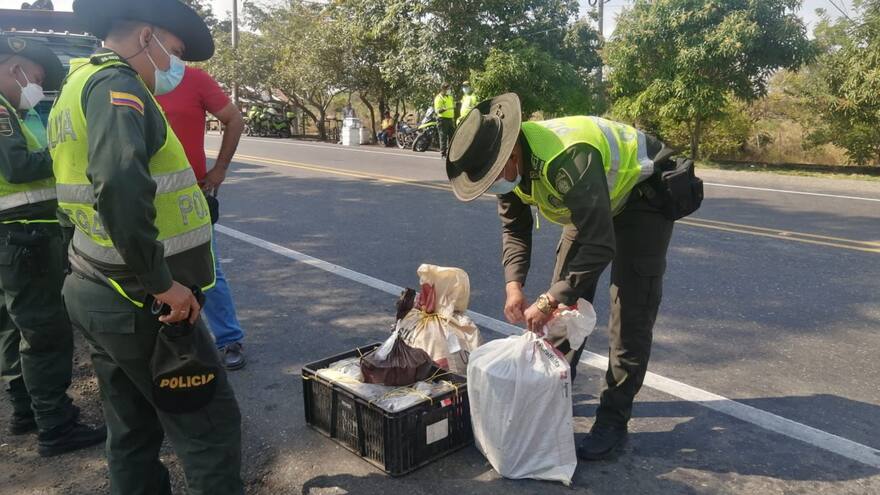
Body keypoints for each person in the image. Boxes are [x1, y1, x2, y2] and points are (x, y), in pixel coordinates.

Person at [48, 1, 243, 493]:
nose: (176, 66)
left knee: (132, 429)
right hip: (144, 301)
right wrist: (163, 283)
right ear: (147, 37)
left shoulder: (75, 84)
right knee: (209, 431)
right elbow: (118, 186)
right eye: (175, 52)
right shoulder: (118, 87)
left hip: (95, 282)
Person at [445, 93, 681, 461]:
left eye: (491, 178)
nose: (491, 186)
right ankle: (552, 394)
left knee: (630, 312)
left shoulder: (567, 158)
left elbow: (600, 243)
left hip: (641, 199)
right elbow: (514, 229)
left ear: (510, 155)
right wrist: (514, 287)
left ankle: (613, 420)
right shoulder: (509, 170)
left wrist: (549, 298)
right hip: (588, 205)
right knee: (559, 315)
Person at [0, 34, 106, 457]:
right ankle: (56, 425)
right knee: (45, 330)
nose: (35, 87)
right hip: (26, 237)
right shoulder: (2, 113)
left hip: (15, 239)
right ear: (15, 69)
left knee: (14, 326)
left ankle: (27, 410)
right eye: (36, 77)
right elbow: (19, 166)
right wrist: (65, 155)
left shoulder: (13, 112)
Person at [156, 65, 248, 370]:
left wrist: (220, 167)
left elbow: (233, 118)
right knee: (152, 272)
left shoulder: (193, 79)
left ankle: (228, 338)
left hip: (189, 197)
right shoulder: (126, 81)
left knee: (208, 270)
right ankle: (169, 340)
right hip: (143, 200)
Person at [433, 82, 454, 157]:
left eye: (449, 89)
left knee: (452, 135)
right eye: (448, 89)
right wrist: (443, 109)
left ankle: (451, 152)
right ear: (443, 89)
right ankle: (443, 153)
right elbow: (437, 110)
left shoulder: (450, 97)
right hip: (442, 119)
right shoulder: (438, 98)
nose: (449, 90)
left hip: (450, 119)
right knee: (443, 136)